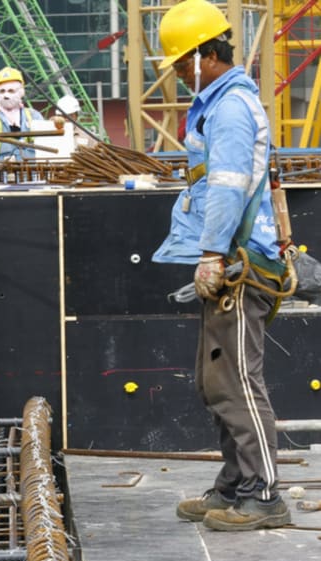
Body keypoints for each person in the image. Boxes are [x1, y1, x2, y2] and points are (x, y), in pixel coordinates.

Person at [152, 0, 291, 531]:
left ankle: (265, 493)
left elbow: (229, 186)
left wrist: (212, 254)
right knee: (216, 380)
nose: (181, 75)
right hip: (228, 261)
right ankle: (235, 485)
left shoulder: (230, 106)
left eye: (182, 64)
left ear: (206, 54)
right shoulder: (218, 103)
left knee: (238, 379)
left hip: (239, 263)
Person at [0, 66, 45, 163]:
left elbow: (44, 143)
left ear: (21, 92)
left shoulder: (34, 116)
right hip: (2, 173)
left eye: (11, 91)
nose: (6, 95)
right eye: (2, 91)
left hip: (32, 171)